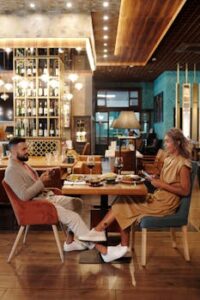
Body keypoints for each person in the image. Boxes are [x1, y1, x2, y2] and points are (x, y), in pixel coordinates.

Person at [79, 128, 191, 262]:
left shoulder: (183, 163)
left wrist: (160, 184)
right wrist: (156, 177)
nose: (165, 145)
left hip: (166, 203)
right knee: (123, 198)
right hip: (158, 197)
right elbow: (168, 179)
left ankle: (101, 232)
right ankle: (113, 240)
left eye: (168, 142)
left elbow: (185, 190)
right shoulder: (169, 159)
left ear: (177, 142)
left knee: (125, 203)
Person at [4, 137, 94, 252]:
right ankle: (98, 248)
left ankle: (69, 242)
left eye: (27, 148)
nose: (27, 151)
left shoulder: (23, 164)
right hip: (37, 205)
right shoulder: (12, 170)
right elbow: (24, 196)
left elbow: (34, 184)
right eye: (24, 149)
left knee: (77, 203)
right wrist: (41, 181)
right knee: (73, 217)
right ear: (13, 152)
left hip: (47, 197)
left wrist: (44, 177)